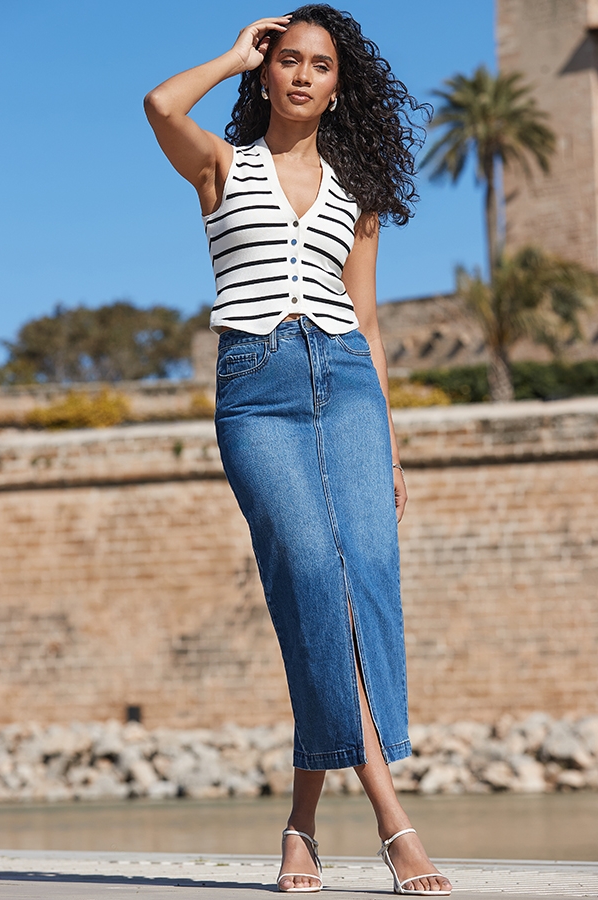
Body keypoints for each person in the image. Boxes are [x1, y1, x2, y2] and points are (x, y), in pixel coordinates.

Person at [145, 5, 451, 895]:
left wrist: (389, 444)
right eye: (286, 61)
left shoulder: (357, 194)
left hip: (349, 385)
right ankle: (394, 819)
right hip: (257, 391)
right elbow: (162, 105)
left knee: (363, 584)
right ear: (267, 74)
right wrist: (235, 51)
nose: (303, 74)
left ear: (338, 86)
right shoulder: (221, 166)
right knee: (314, 576)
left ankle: (302, 827)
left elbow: (367, 320)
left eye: (321, 64)